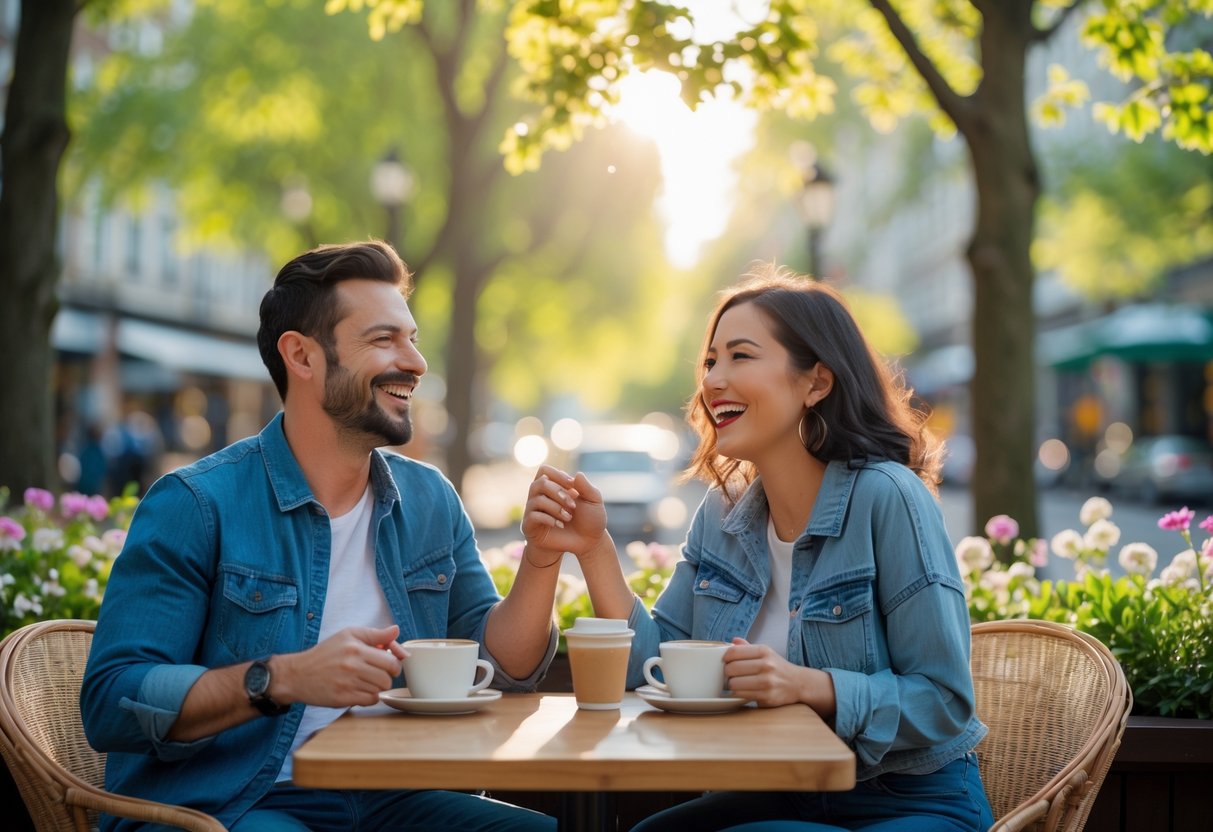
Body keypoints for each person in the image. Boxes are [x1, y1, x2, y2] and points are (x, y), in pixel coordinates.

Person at [82, 241, 559, 831]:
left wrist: (541, 560)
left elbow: (501, 666)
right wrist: (282, 678)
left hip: (391, 795)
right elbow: (112, 701)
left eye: (413, 339)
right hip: (229, 803)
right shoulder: (198, 504)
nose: (414, 361)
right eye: (384, 340)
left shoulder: (430, 499)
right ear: (302, 356)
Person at [520, 265, 995, 831]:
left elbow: (943, 700)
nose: (714, 379)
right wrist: (593, 549)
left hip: (910, 799)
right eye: (711, 360)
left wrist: (808, 687)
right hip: (784, 792)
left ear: (816, 382)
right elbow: (654, 665)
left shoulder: (887, 497)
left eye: (741, 356)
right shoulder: (722, 515)